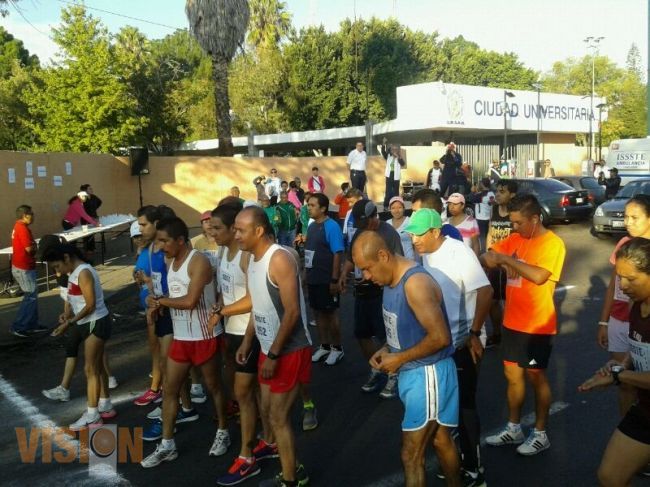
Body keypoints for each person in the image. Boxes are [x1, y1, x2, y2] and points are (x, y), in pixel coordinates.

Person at [352, 231, 460, 487]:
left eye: (367, 269)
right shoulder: (391, 281)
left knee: (411, 455)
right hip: (417, 374)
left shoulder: (415, 284)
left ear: (383, 255)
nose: (366, 277)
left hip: (428, 376)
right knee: (442, 441)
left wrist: (400, 358)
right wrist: (387, 348)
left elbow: (441, 337)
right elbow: (408, 327)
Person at [406, 209, 493, 485]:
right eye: (411, 233)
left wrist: (475, 333)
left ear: (435, 232)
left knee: (465, 407)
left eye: (419, 234)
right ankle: (453, 460)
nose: (413, 238)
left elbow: (486, 291)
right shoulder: (423, 252)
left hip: (464, 342)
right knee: (446, 408)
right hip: (441, 343)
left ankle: (473, 470)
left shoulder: (458, 252)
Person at [480, 194, 566, 456]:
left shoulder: (553, 244)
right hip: (512, 322)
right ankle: (514, 427)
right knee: (512, 377)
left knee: (536, 378)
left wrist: (508, 261)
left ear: (535, 219)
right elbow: (487, 256)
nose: (514, 228)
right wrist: (500, 258)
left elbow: (540, 276)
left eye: (518, 223)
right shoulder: (515, 240)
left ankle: (540, 433)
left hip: (536, 325)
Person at [141, 217, 230, 467]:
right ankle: (167, 444)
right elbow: (176, 296)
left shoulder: (198, 261)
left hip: (204, 336)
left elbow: (191, 301)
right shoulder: (173, 261)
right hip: (182, 337)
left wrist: (160, 301)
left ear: (180, 240)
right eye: (158, 241)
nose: (159, 246)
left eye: (164, 241)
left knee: (214, 388)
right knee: (170, 389)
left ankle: (223, 431)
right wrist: (158, 302)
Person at [234, 206, 312, 487]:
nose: (236, 235)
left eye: (240, 230)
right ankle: (288, 462)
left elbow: (292, 313)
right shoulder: (252, 259)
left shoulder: (278, 259)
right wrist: (248, 341)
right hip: (268, 347)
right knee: (267, 411)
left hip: (289, 350)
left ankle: (293, 477)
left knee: (278, 417)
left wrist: (274, 354)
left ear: (258, 231)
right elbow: (259, 304)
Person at [579, 238, 650, 486]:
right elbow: (638, 346)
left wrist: (619, 376)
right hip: (646, 410)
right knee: (610, 476)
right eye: (620, 277)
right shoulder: (637, 305)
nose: (623, 285)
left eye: (632, 278)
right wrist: (622, 364)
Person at [207, 201, 263, 486]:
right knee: (248, 394)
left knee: (243, 393)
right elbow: (226, 291)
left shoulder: (245, 257)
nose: (212, 232)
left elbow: (254, 300)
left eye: (218, 228)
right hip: (232, 330)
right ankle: (267, 440)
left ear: (232, 229)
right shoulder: (222, 253)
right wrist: (220, 306)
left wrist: (222, 312)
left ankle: (247, 455)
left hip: (248, 333)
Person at [43, 243, 115, 430]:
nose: (57, 272)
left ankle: (92, 415)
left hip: (95, 322)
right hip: (91, 322)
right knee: (97, 366)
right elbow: (79, 300)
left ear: (67, 257)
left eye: (57, 266)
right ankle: (105, 404)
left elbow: (90, 305)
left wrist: (69, 322)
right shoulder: (75, 272)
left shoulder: (83, 272)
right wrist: (67, 315)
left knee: (90, 369)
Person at [338, 200, 404, 399]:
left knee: (386, 336)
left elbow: (399, 262)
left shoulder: (389, 234)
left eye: (367, 222)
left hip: (382, 292)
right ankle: (376, 369)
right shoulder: (360, 231)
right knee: (362, 333)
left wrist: (394, 291)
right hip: (362, 291)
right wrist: (343, 274)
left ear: (375, 216)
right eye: (361, 224)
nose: (364, 227)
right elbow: (351, 257)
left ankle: (394, 374)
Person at [597, 195, 650, 416]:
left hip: (643, 321)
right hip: (620, 320)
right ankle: (629, 425)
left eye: (634, 217)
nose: (628, 222)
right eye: (625, 217)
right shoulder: (623, 244)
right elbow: (613, 285)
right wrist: (604, 321)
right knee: (625, 381)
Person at [305, 193, 345, 366]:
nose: (309, 208)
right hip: (313, 278)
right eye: (308, 205)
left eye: (313, 205)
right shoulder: (312, 226)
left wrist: (335, 279)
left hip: (327, 278)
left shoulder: (332, 226)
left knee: (330, 314)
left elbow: (337, 253)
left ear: (323, 208)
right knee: (317, 312)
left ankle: (337, 348)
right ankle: (324, 346)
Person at [485, 179, 518, 348]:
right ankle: (497, 333)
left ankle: (513, 335)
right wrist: (488, 256)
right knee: (493, 300)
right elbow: (491, 233)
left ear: (512, 194)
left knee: (512, 301)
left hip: (511, 265)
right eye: (497, 191)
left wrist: (512, 263)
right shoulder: (494, 209)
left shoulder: (516, 213)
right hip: (495, 263)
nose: (497, 194)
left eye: (502, 191)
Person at [10, 205, 45, 337]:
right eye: (31, 213)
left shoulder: (19, 226)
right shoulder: (22, 228)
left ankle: (32, 325)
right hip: (23, 268)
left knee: (32, 296)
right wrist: (39, 250)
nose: (33, 215)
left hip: (23, 267)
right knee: (30, 297)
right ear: (25, 215)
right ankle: (19, 326)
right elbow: (29, 249)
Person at [468, 178, 495, 248]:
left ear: (482, 185)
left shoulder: (483, 195)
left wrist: (472, 191)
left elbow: (471, 199)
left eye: (480, 183)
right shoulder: (492, 193)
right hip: (489, 218)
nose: (478, 185)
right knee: (487, 236)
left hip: (481, 219)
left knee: (482, 238)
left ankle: (483, 252)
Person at [387, 196, 415, 261]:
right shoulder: (387, 223)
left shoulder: (410, 221)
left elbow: (416, 243)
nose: (396, 211)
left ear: (404, 208)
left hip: (409, 260)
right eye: (393, 208)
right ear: (390, 209)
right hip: (395, 262)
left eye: (399, 207)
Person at [381, 138, 405, 208]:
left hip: (396, 176)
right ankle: (386, 205)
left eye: (395, 149)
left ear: (397, 151)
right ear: (391, 150)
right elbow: (383, 151)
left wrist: (398, 157)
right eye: (393, 149)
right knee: (388, 192)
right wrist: (383, 143)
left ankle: (395, 205)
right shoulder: (388, 156)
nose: (394, 151)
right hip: (389, 175)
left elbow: (403, 164)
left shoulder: (399, 157)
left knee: (395, 192)